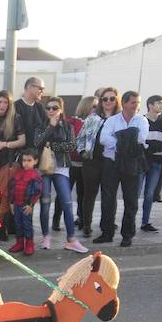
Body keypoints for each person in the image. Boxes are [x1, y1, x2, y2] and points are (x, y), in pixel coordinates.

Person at [94, 91, 148, 247]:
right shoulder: (112, 120)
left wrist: (119, 137)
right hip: (112, 163)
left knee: (131, 200)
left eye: (138, 103)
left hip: (132, 163)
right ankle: (107, 232)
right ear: (124, 103)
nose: (136, 106)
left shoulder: (141, 120)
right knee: (108, 199)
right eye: (133, 102)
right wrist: (123, 142)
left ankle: (127, 234)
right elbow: (104, 138)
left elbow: (141, 139)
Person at [34, 97, 87, 253]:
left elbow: (71, 145)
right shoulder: (41, 126)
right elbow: (37, 143)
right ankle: (46, 236)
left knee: (67, 203)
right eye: (48, 108)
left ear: (61, 109)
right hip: (44, 168)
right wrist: (50, 127)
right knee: (45, 203)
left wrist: (51, 145)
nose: (51, 110)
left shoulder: (68, 126)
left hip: (61, 168)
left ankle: (71, 239)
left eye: (54, 108)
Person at [76, 87, 119, 237]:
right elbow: (80, 138)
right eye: (104, 99)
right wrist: (82, 152)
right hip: (92, 162)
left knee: (109, 196)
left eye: (111, 98)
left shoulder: (120, 119)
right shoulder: (92, 118)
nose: (108, 101)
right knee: (89, 195)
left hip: (112, 163)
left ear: (116, 100)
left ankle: (107, 225)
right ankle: (86, 224)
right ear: (100, 101)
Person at [140, 94, 162, 233]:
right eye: (158, 103)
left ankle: (145, 222)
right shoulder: (141, 120)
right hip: (140, 162)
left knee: (149, 194)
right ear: (150, 105)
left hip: (157, 163)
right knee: (134, 193)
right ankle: (128, 221)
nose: (161, 106)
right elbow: (140, 142)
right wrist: (152, 145)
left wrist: (150, 145)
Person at [65, 96, 94, 230]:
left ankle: (82, 219)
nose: (96, 109)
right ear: (86, 106)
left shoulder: (95, 122)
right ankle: (56, 220)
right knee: (65, 194)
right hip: (71, 163)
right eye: (93, 106)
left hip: (86, 165)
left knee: (83, 194)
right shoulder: (72, 121)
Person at [7, 148, 43, 256]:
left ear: (35, 161)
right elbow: (13, 189)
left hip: (26, 206)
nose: (26, 163)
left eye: (29, 160)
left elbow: (37, 192)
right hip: (17, 204)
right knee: (18, 224)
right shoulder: (18, 173)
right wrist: (12, 203)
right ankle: (19, 243)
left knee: (27, 225)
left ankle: (29, 244)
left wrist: (31, 205)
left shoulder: (35, 176)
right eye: (24, 160)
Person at [14, 77, 46, 156]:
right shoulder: (15, 107)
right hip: (20, 157)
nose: (42, 91)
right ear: (29, 87)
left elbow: (44, 131)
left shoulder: (40, 107)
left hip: (37, 157)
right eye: (40, 88)